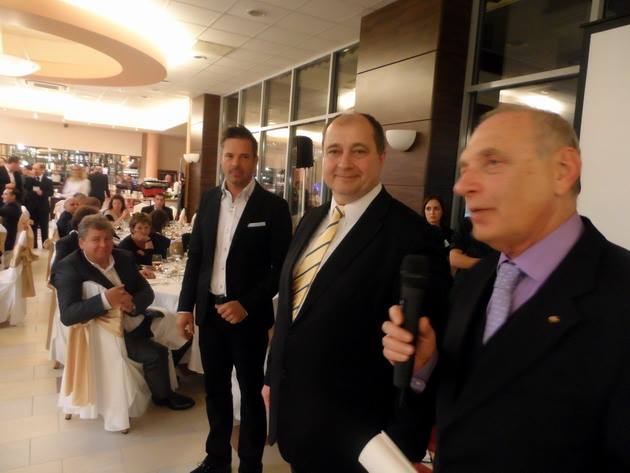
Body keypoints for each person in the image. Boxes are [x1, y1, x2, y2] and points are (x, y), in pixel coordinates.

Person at [382, 105, 630, 472]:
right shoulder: (477, 279)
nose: (462, 186)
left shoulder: (620, 294)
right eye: (465, 168)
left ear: (562, 170)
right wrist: (427, 365)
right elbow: (471, 404)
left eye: (493, 162)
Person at [263, 113, 450, 473]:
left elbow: (424, 353)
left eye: (359, 151)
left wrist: (398, 444)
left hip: (359, 440)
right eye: (334, 151)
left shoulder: (413, 237)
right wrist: (273, 378)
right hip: (296, 418)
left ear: (382, 157)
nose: (344, 162)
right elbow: (291, 312)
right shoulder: (310, 220)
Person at [177, 126, 292, 473]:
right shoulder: (209, 200)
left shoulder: (273, 207)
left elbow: (281, 269)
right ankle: (217, 458)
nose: (235, 163)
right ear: (221, 159)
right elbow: (196, 258)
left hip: (248, 319)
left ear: (255, 160)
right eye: (229, 155)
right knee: (214, 391)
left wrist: (247, 304)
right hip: (210, 313)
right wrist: (185, 307)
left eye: (243, 156)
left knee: (251, 393)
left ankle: (250, 464)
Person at [51, 214, 195, 412]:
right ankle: (163, 396)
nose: (104, 245)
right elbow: (68, 315)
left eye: (108, 238)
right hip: (108, 333)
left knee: (182, 328)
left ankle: (167, 372)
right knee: (156, 353)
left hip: (135, 317)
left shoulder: (122, 257)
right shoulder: (69, 268)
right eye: (96, 239)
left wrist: (133, 305)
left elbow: (146, 291)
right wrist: (106, 300)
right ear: (82, 242)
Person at [52, 205, 101, 271]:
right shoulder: (66, 243)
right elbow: (57, 271)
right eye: (95, 224)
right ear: (79, 224)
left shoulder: (102, 241)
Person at [24, 163, 54, 248]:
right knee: (33, 227)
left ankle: (45, 246)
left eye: (36, 169)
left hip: (43, 208)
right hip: (32, 207)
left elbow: (51, 192)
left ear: (42, 170)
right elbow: (26, 191)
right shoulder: (28, 179)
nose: (34, 170)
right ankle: (34, 246)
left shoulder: (48, 180)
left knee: (44, 228)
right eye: (33, 169)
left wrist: (43, 193)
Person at [0, 188, 22, 253]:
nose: (2, 196)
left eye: (5, 194)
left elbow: (1, 211)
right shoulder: (10, 204)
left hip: (7, 239)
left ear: (13, 196)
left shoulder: (14, 206)